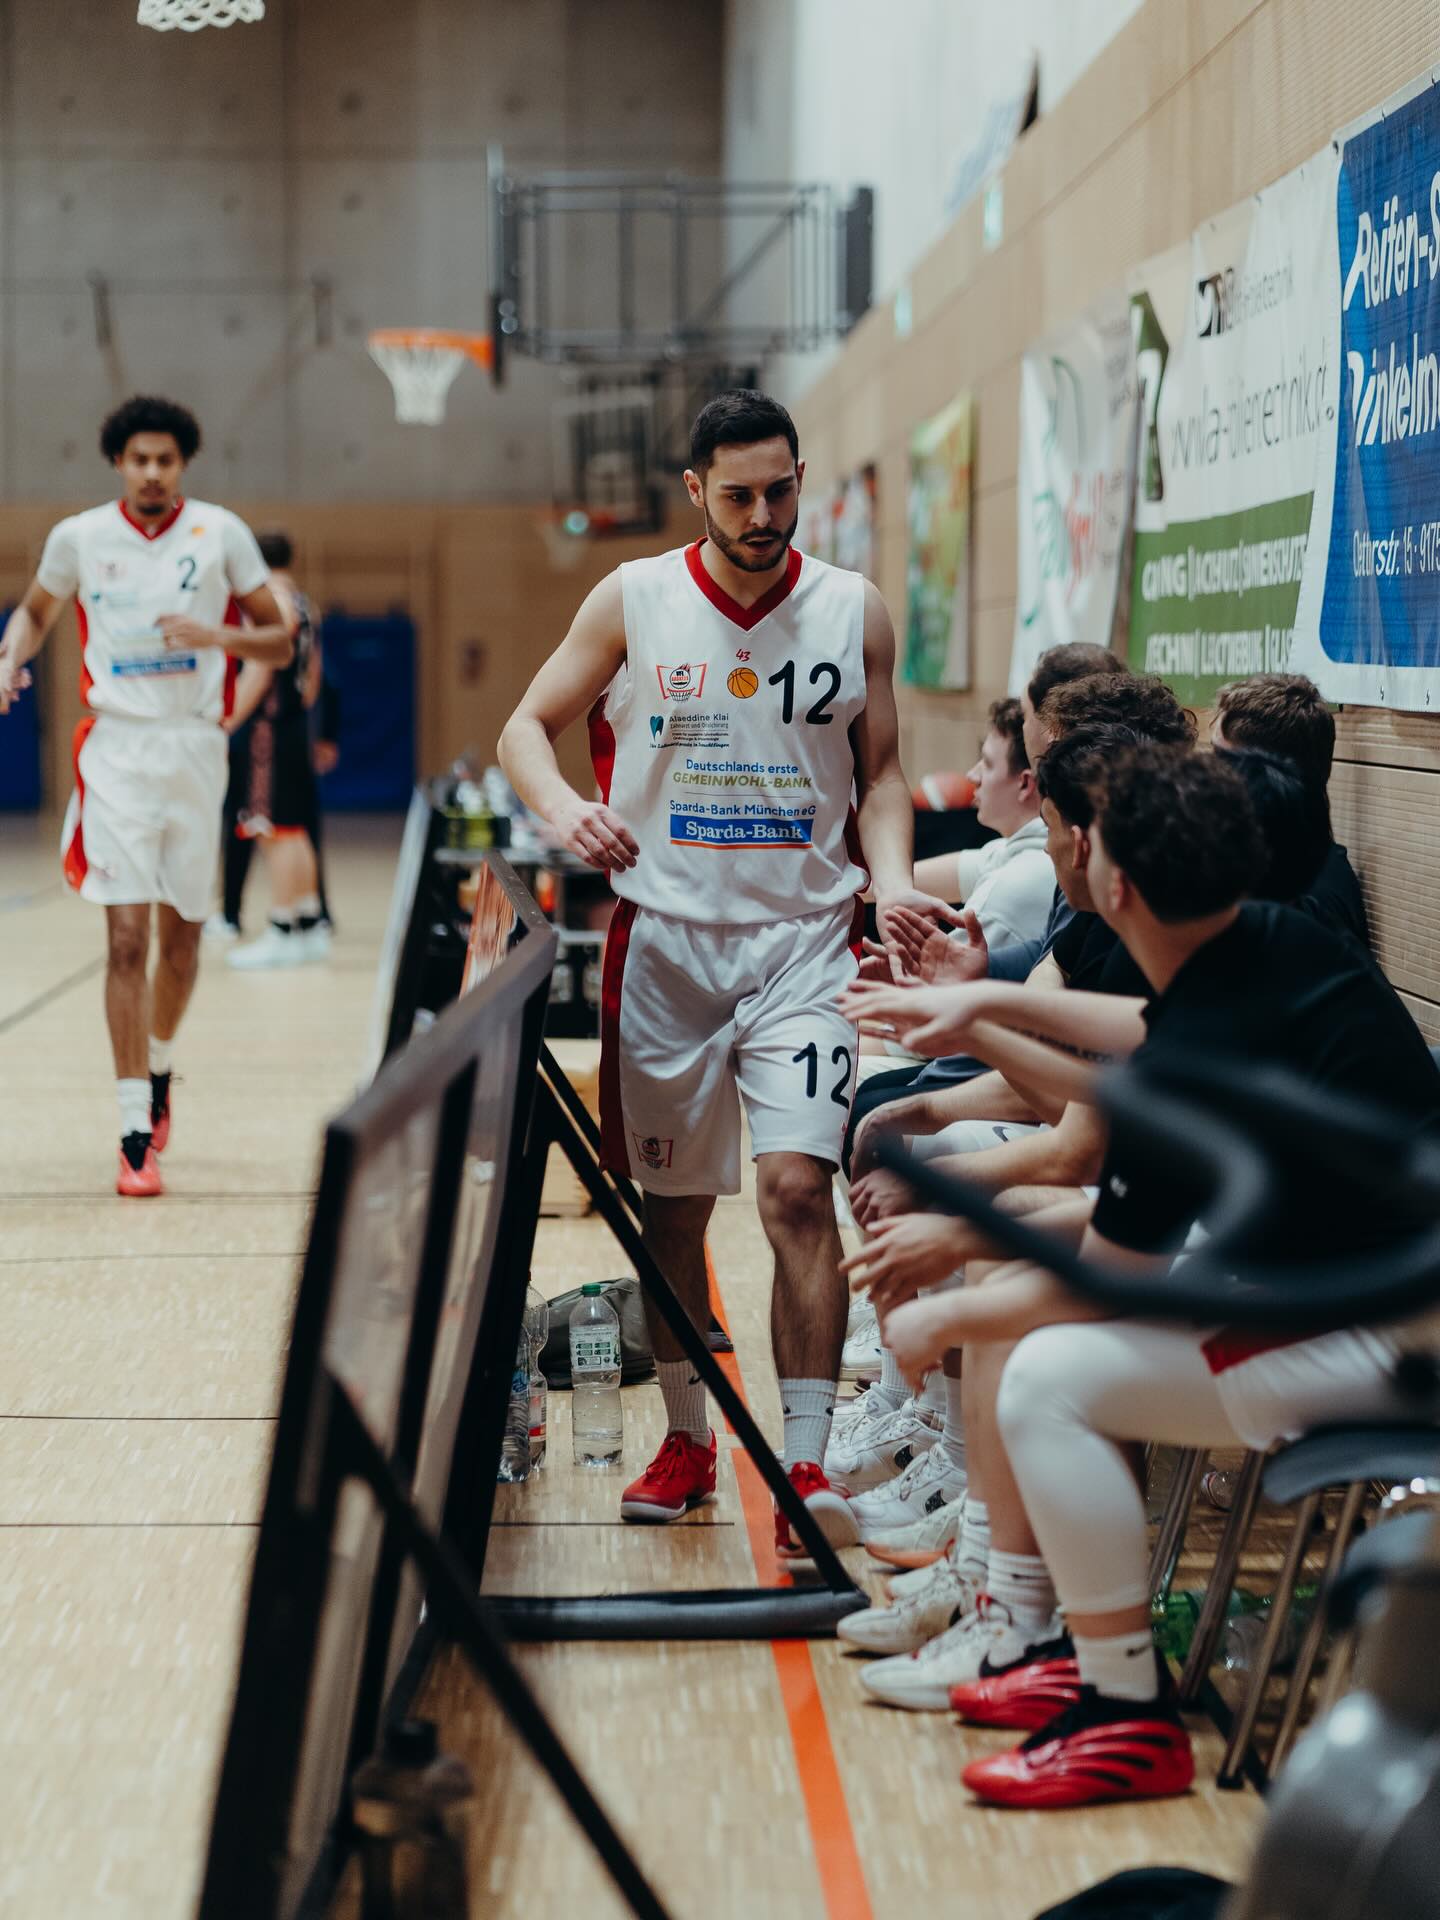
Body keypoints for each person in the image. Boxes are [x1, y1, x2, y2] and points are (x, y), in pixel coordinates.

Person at [862, 748, 1440, 1803]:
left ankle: (1124, 1712)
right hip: (1361, 1280)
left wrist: (943, 1315)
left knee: (1051, 1376)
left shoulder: (1192, 1058)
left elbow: (1112, 1285)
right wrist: (972, 1015)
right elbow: (1150, 1027)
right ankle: (1058, 1647)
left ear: (1113, 883)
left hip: (1385, 1338)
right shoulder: (1272, 941)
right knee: (1036, 1330)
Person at [498, 389, 959, 1554]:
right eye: (738, 494)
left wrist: (894, 880)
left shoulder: (854, 610)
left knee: (799, 1191)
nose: (763, 514)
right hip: (665, 952)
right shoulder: (634, 598)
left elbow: (886, 772)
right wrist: (562, 810)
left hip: (804, 944)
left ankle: (804, 1464)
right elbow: (523, 727)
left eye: (781, 489)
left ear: (802, 477)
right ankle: (693, 1434)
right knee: (674, 1211)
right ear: (695, 490)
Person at [0, 395, 292, 1197]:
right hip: (118, 751)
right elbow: (33, 612)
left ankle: (160, 1067)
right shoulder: (80, 538)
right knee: (126, 940)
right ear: (119, 463)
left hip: (196, 748)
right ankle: (134, 1130)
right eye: (140, 459)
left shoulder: (221, 533)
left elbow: (281, 635)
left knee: (184, 940)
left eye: (166, 460)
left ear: (182, 465)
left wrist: (222, 636)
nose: (153, 472)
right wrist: (7, 656)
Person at [219, 533, 331, 969]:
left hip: (267, 729)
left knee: (271, 829)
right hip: (294, 727)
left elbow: (260, 671)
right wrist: (296, 716)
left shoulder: (270, 605)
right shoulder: (305, 604)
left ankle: (281, 929)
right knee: (295, 829)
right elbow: (314, 676)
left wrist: (228, 721)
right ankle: (305, 923)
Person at [1210, 671, 1368, 948]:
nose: (1206, 773)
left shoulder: (1312, 902)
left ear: (1266, 772)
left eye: (1221, 759)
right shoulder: (1291, 868)